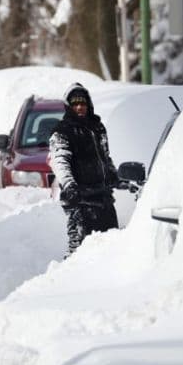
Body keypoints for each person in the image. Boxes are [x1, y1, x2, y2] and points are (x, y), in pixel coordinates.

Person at [49, 83, 120, 255]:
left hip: (104, 199)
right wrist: (69, 186)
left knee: (113, 251)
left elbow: (104, 157)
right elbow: (60, 161)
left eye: (83, 103)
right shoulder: (62, 132)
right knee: (80, 256)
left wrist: (114, 176)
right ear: (69, 107)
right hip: (80, 202)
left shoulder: (97, 128)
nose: (80, 107)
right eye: (75, 104)